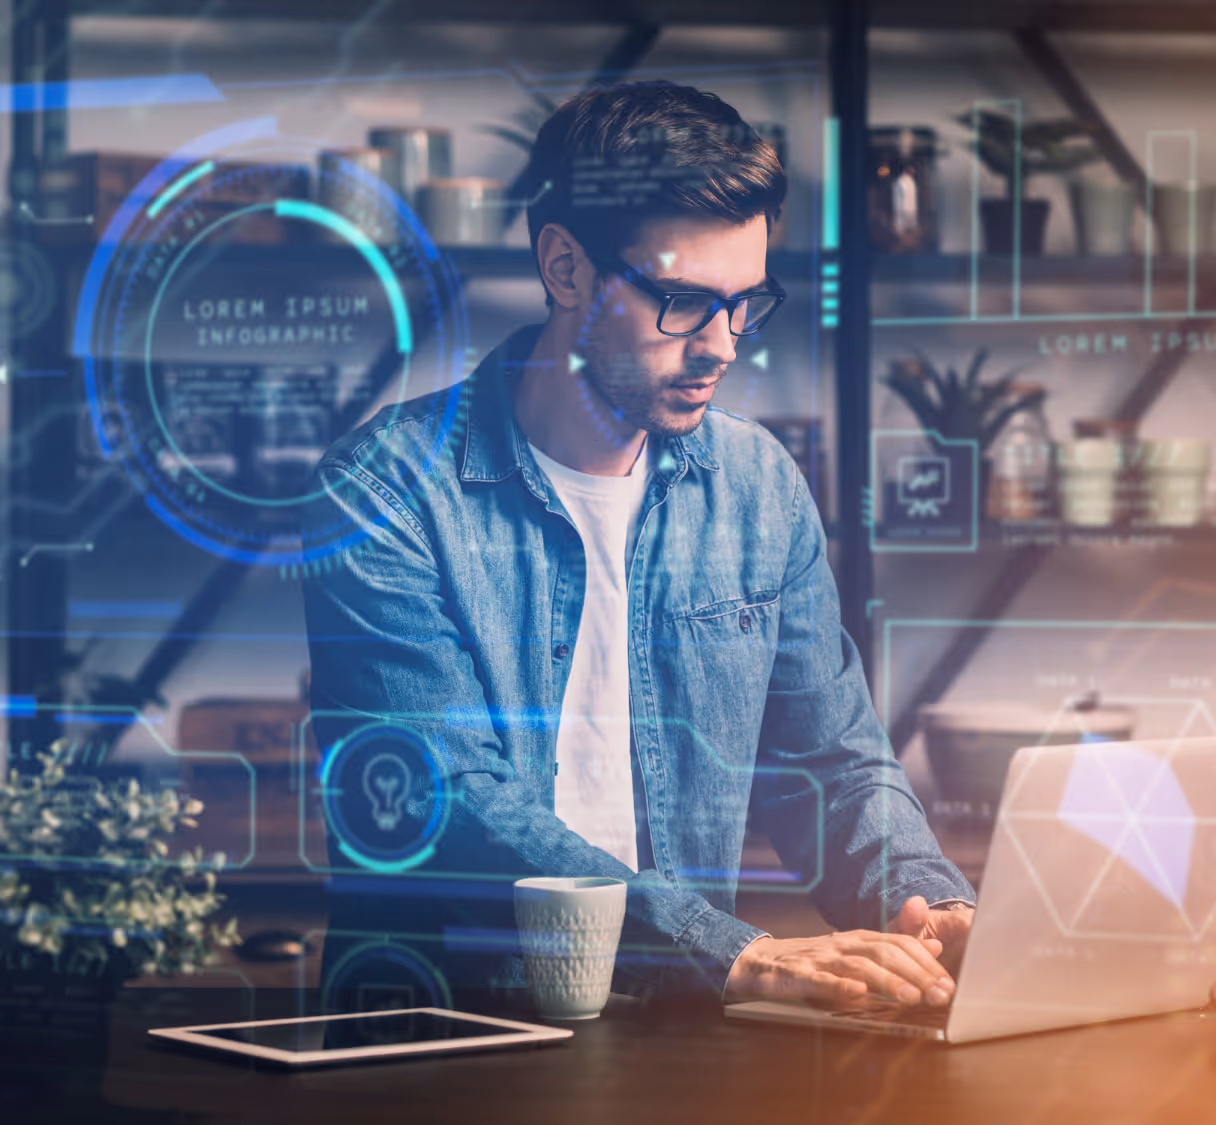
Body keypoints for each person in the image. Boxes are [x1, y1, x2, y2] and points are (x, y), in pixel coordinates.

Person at [303, 81, 974, 1010]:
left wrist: (932, 907)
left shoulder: (757, 485)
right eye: (684, 302)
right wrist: (731, 950)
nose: (724, 346)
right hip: (447, 1031)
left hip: (680, 1027)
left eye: (745, 303)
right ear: (566, 268)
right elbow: (450, 801)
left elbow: (830, 762)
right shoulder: (382, 492)